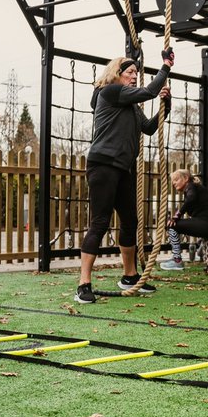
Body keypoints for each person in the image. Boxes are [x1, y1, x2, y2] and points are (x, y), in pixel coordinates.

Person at [75, 50, 173, 303]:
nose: (134, 77)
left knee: (130, 222)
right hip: (103, 164)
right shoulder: (109, 92)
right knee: (100, 222)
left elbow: (150, 128)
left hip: (124, 168)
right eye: (130, 73)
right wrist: (165, 67)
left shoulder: (130, 106)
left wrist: (167, 103)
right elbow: (149, 91)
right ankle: (83, 283)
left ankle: (130, 276)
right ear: (116, 74)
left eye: (136, 74)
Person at [161, 170, 208, 270]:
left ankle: (177, 260)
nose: (173, 183)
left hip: (207, 225)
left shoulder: (191, 186)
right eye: (172, 181)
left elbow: (191, 199)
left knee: (171, 225)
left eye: (176, 180)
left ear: (186, 178)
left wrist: (177, 216)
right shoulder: (195, 188)